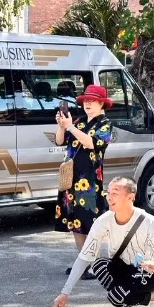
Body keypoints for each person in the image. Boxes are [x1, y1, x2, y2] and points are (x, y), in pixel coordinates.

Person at [52, 177, 154, 307]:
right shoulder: (103, 221)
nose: (109, 197)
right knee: (99, 264)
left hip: (149, 272)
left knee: (116, 297)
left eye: (115, 193)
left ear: (130, 197)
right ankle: (126, 305)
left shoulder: (149, 221)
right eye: (109, 193)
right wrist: (65, 292)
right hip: (124, 268)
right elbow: (84, 257)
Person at [54, 84, 113, 280]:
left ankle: (94, 265)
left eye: (92, 101)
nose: (87, 103)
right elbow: (60, 141)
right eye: (86, 100)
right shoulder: (78, 122)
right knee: (76, 225)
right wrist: (62, 126)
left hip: (89, 184)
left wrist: (70, 126)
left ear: (101, 104)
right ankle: (83, 263)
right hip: (71, 182)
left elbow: (91, 143)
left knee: (89, 226)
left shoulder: (105, 125)